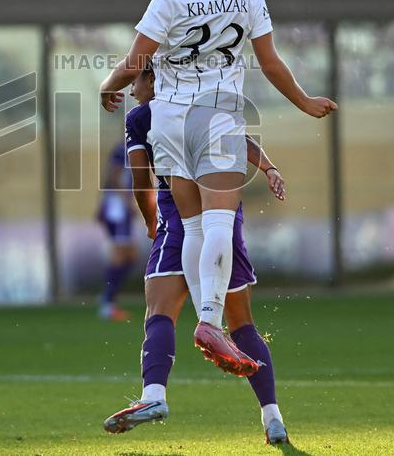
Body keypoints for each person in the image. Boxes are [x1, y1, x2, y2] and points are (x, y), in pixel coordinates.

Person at [99, 0, 336, 378]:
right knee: (219, 224)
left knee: (190, 226)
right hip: (218, 119)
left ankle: (203, 323)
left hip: (168, 122)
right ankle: (209, 319)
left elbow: (136, 62)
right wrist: (303, 102)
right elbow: (271, 63)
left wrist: (108, 86)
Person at [103, 64, 291, 444]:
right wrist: (269, 167)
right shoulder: (209, 102)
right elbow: (238, 140)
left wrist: (151, 222)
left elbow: (141, 180)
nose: (133, 90)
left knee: (159, 312)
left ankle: (154, 396)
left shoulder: (142, 117)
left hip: (178, 220)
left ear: (153, 79)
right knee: (242, 323)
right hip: (225, 222)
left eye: (136, 81)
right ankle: (273, 418)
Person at [96, 142, 137, 321]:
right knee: (120, 254)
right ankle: (107, 303)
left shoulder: (135, 147)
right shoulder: (123, 149)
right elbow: (113, 176)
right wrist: (127, 201)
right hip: (117, 209)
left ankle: (108, 297)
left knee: (131, 255)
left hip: (119, 208)